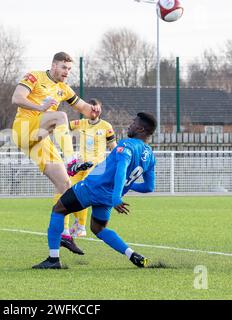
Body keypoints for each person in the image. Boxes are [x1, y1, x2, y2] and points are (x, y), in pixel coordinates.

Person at [32, 112, 157, 269]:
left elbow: (121, 169)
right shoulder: (151, 156)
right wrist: (127, 186)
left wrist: (117, 197)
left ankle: (53, 259)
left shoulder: (126, 145)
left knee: (58, 209)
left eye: (133, 123)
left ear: (140, 128)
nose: (129, 125)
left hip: (93, 188)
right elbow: (148, 187)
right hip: (107, 197)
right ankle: (132, 254)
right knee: (98, 228)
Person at [11, 52, 101, 253]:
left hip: (40, 139)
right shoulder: (34, 76)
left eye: (69, 69)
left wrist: (93, 110)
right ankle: (71, 160)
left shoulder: (64, 89)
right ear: (53, 66)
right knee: (59, 116)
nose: (66, 72)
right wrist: (39, 106)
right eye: (63, 68)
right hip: (23, 129)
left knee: (65, 184)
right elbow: (16, 98)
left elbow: (84, 108)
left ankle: (64, 234)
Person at [61, 98, 117, 254]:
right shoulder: (81, 123)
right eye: (92, 109)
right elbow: (62, 126)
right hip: (79, 165)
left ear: (101, 109)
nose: (95, 111)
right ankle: (75, 226)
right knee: (69, 192)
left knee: (83, 193)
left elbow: (114, 148)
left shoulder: (106, 127)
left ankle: (81, 226)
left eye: (97, 109)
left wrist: (116, 166)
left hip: (97, 167)